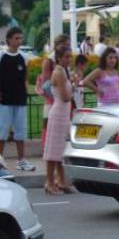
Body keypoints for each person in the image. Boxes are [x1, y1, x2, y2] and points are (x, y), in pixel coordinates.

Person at [0, 28, 36, 171]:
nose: (18, 41)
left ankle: (21, 161)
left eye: (20, 38)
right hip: (4, 100)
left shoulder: (24, 57)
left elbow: (25, 78)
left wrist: (26, 93)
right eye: (16, 38)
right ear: (8, 39)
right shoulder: (2, 56)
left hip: (19, 100)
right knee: (2, 132)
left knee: (20, 132)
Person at [43, 46, 74, 195]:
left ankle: (61, 180)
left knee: (61, 149)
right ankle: (49, 182)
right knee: (53, 150)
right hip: (58, 113)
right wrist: (73, 85)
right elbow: (65, 96)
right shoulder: (59, 72)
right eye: (66, 57)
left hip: (64, 114)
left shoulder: (63, 71)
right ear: (60, 57)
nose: (69, 59)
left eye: (70, 56)